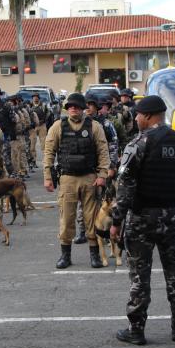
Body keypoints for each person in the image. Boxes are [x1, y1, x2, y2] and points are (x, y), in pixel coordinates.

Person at [110, 95, 175, 345]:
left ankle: (136, 330)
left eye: (137, 115)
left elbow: (125, 188)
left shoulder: (139, 143)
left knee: (139, 276)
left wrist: (116, 220)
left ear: (147, 116)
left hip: (143, 217)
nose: (135, 118)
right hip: (174, 215)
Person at [44, 92, 110, 269]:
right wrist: (48, 177)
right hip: (67, 178)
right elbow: (49, 152)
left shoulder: (94, 126)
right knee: (66, 219)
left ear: (83, 108)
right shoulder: (58, 126)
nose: (73, 109)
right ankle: (65, 255)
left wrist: (103, 175)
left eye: (76, 106)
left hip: (89, 178)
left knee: (91, 218)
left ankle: (94, 255)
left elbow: (103, 151)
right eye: (70, 106)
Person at [75, 97, 119, 244]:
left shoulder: (105, 124)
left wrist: (111, 167)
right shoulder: (79, 123)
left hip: (101, 169)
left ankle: (103, 232)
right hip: (84, 169)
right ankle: (82, 231)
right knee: (82, 202)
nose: (87, 108)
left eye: (90, 105)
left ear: (97, 107)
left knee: (102, 202)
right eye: (85, 105)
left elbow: (113, 145)